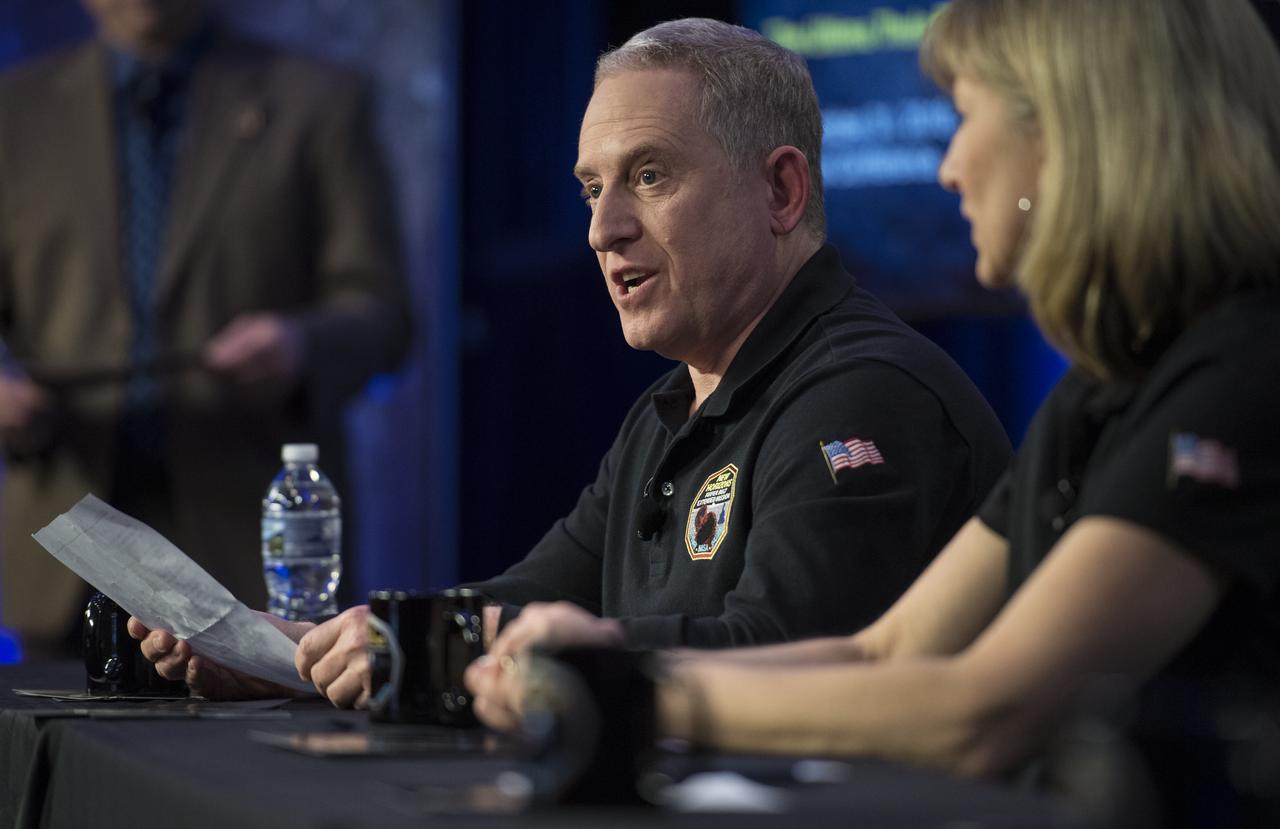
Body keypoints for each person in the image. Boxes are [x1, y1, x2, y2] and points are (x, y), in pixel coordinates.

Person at [469, 0, 1280, 819]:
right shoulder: (1110, 386)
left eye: (965, 117)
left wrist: (632, 695)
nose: (951, 166)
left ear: (1078, 133)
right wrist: (606, 665)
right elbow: (882, 649)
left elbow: (982, 709)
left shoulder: (1244, 373)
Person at [133, 17, 1010, 707]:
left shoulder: (865, 393)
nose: (603, 229)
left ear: (780, 191)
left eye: (652, 176)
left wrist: (446, 649)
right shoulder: (669, 410)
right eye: (593, 188)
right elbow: (534, 594)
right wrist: (298, 649)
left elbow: (780, 652)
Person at [0, 0, 411, 656]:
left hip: (253, 544)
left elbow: (384, 312)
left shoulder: (318, 100)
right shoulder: (16, 114)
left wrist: (300, 345)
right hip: (65, 538)